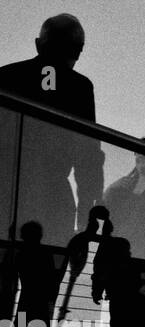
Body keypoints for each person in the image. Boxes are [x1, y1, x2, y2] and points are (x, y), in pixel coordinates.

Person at [0, 14, 105, 246]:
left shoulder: (5, 77)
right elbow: (88, 153)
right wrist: (88, 206)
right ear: (78, 51)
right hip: (53, 197)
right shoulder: (80, 87)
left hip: (4, 191)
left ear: (38, 44)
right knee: (45, 275)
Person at [14, 221, 59, 327]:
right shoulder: (46, 254)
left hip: (27, 296)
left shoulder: (21, 254)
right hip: (41, 299)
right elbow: (52, 280)